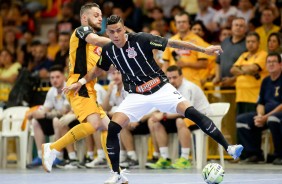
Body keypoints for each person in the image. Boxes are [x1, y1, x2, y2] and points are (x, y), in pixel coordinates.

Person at [60, 15, 243, 183]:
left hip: (160, 88)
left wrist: (204, 49)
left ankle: (229, 148)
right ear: (107, 33)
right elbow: (99, 69)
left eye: (118, 31)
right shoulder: (108, 50)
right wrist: (81, 81)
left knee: (191, 112)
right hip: (136, 95)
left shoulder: (142, 39)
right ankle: (116, 174)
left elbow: (174, 44)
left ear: (124, 29)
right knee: (113, 128)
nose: (115, 35)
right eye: (111, 32)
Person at [41, 3, 124, 180]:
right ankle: (53, 147)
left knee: (108, 129)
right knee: (94, 125)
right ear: (85, 18)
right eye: (96, 15)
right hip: (78, 85)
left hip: (89, 87)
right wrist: (121, 40)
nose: (100, 18)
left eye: (101, 15)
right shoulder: (81, 30)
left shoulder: (97, 44)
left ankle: (116, 173)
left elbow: (104, 67)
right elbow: (97, 40)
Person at [236, 52, 282, 164]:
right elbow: (261, 103)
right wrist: (260, 116)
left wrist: (266, 117)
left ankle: (279, 155)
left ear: (280, 64)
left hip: (278, 114)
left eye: (274, 62)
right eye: (269, 62)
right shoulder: (265, 81)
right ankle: (254, 154)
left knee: (273, 119)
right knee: (241, 120)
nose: (271, 64)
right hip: (266, 114)